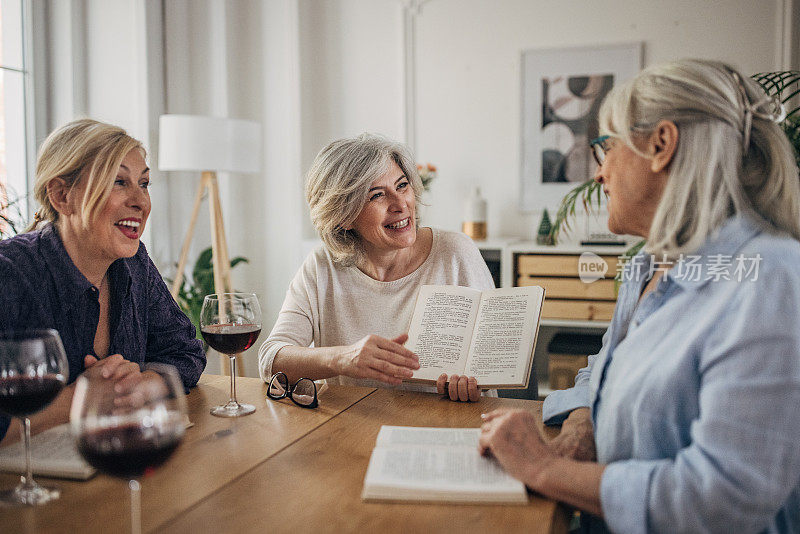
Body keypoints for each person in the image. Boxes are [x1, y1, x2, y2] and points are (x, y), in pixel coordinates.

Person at [479, 59, 800, 533]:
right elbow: (600, 370)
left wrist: (543, 469)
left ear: (660, 145)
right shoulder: (650, 266)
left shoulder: (771, 278)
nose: (598, 174)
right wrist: (582, 424)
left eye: (605, 149)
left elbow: (723, 499)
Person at [0, 119, 206, 444]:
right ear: (62, 195)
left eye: (144, 183)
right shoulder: (9, 274)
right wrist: (81, 399)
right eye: (119, 182)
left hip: (111, 465)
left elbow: (184, 350)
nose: (141, 202)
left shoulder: (134, 264)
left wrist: (146, 383)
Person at [259, 133, 495, 401]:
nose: (400, 204)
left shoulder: (455, 253)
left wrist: (474, 382)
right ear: (343, 216)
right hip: (352, 428)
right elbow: (270, 359)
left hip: (444, 423)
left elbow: (492, 364)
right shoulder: (322, 266)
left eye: (402, 185)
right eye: (377, 195)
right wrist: (343, 358)